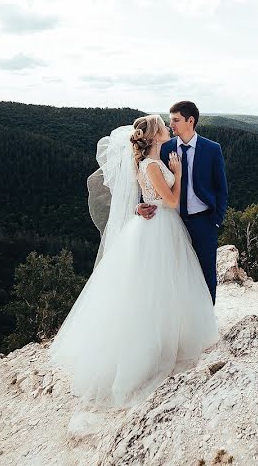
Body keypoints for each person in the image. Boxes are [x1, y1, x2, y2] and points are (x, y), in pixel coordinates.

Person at [48, 115, 219, 408]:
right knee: (159, 288)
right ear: (153, 136)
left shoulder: (147, 163)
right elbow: (171, 202)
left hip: (155, 226)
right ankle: (151, 351)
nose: (168, 127)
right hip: (161, 228)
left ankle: (167, 339)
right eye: (164, 127)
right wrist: (177, 174)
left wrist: (148, 202)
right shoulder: (152, 165)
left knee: (158, 288)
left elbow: (150, 198)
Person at [136, 101, 228, 305]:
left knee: (206, 274)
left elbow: (221, 188)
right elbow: (150, 181)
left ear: (191, 121)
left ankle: (206, 323)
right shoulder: (163, 147)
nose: (171, 125)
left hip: (204, 222)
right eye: (170, 121)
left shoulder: (212, 149)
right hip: (171, 221)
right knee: (173, 275)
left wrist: (216, 221)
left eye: (176, 120)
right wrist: (139, 206)